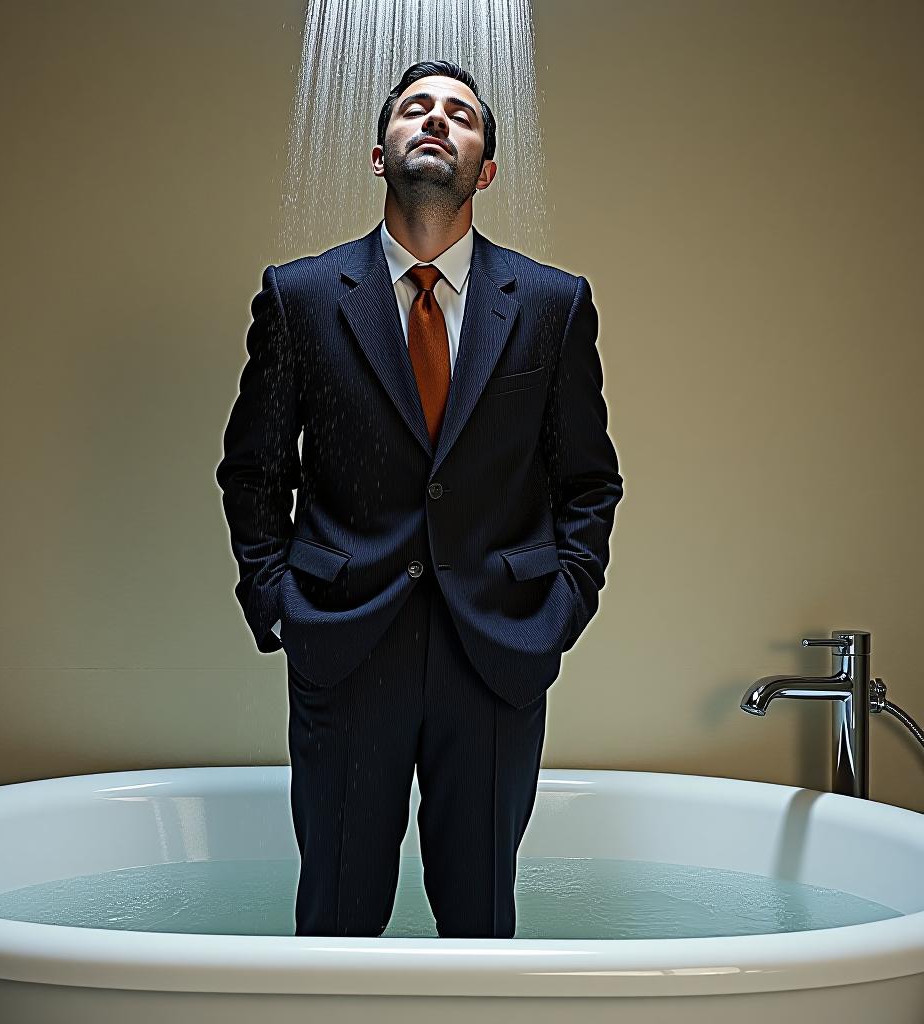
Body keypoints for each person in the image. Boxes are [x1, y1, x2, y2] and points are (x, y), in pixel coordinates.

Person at [215, 60, 624, 939]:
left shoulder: (553, 305)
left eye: (460, 116)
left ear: (487, 167)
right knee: (335, 919)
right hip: (343, 638)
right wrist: (277, 602)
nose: (435, 122)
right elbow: (253, 470)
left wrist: (561, 607)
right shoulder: (301, 296)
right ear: (379, 153)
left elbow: (589, 481)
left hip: (499, 648)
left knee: (481, 925)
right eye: (415, 110)